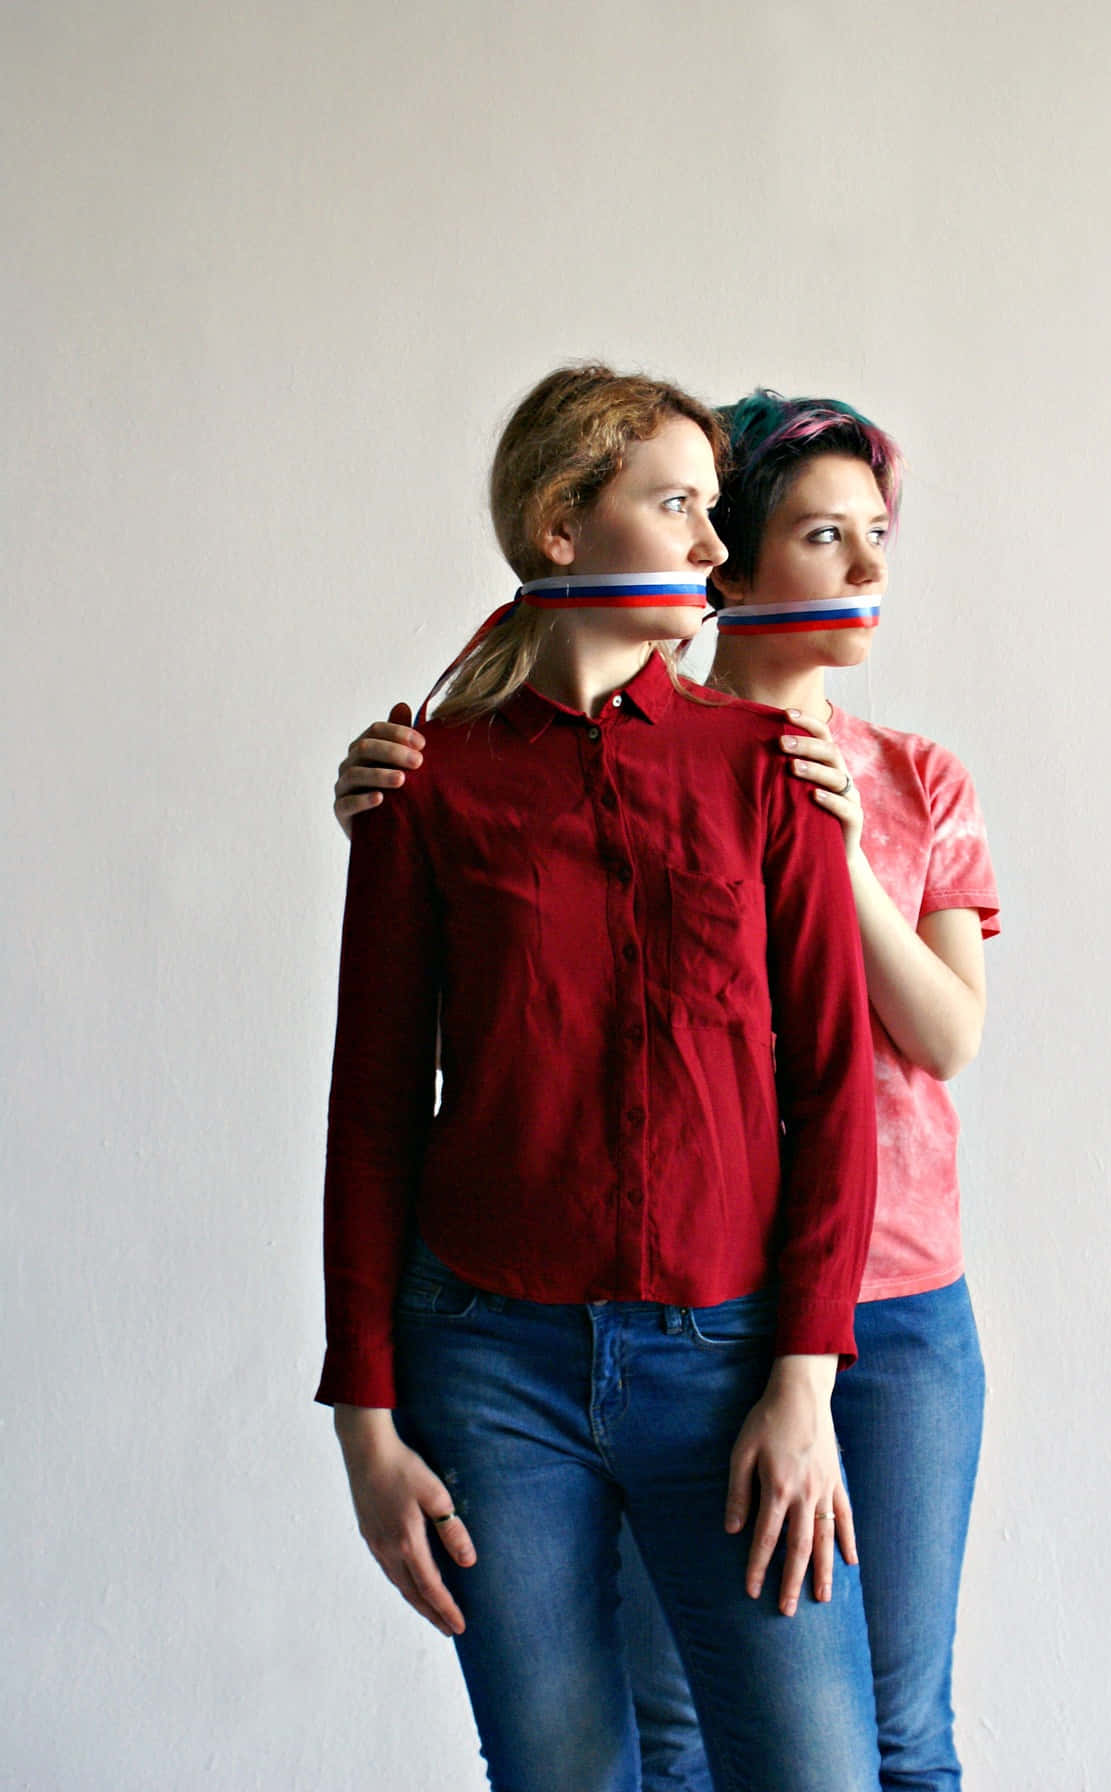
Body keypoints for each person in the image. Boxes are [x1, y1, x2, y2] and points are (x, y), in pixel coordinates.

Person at [334, 388, 1000, 1792]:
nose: (711, 544)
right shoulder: (428, 786)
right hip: (488, 1364)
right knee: (570, 1774)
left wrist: (801, 1381)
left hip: (729, 1356)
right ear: (560, 525)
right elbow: (375, 1110)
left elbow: (835, 1087)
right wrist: (366, 1421)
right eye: (683, 507)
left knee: (830, 1766)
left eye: (715, 509)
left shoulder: (774, 773)